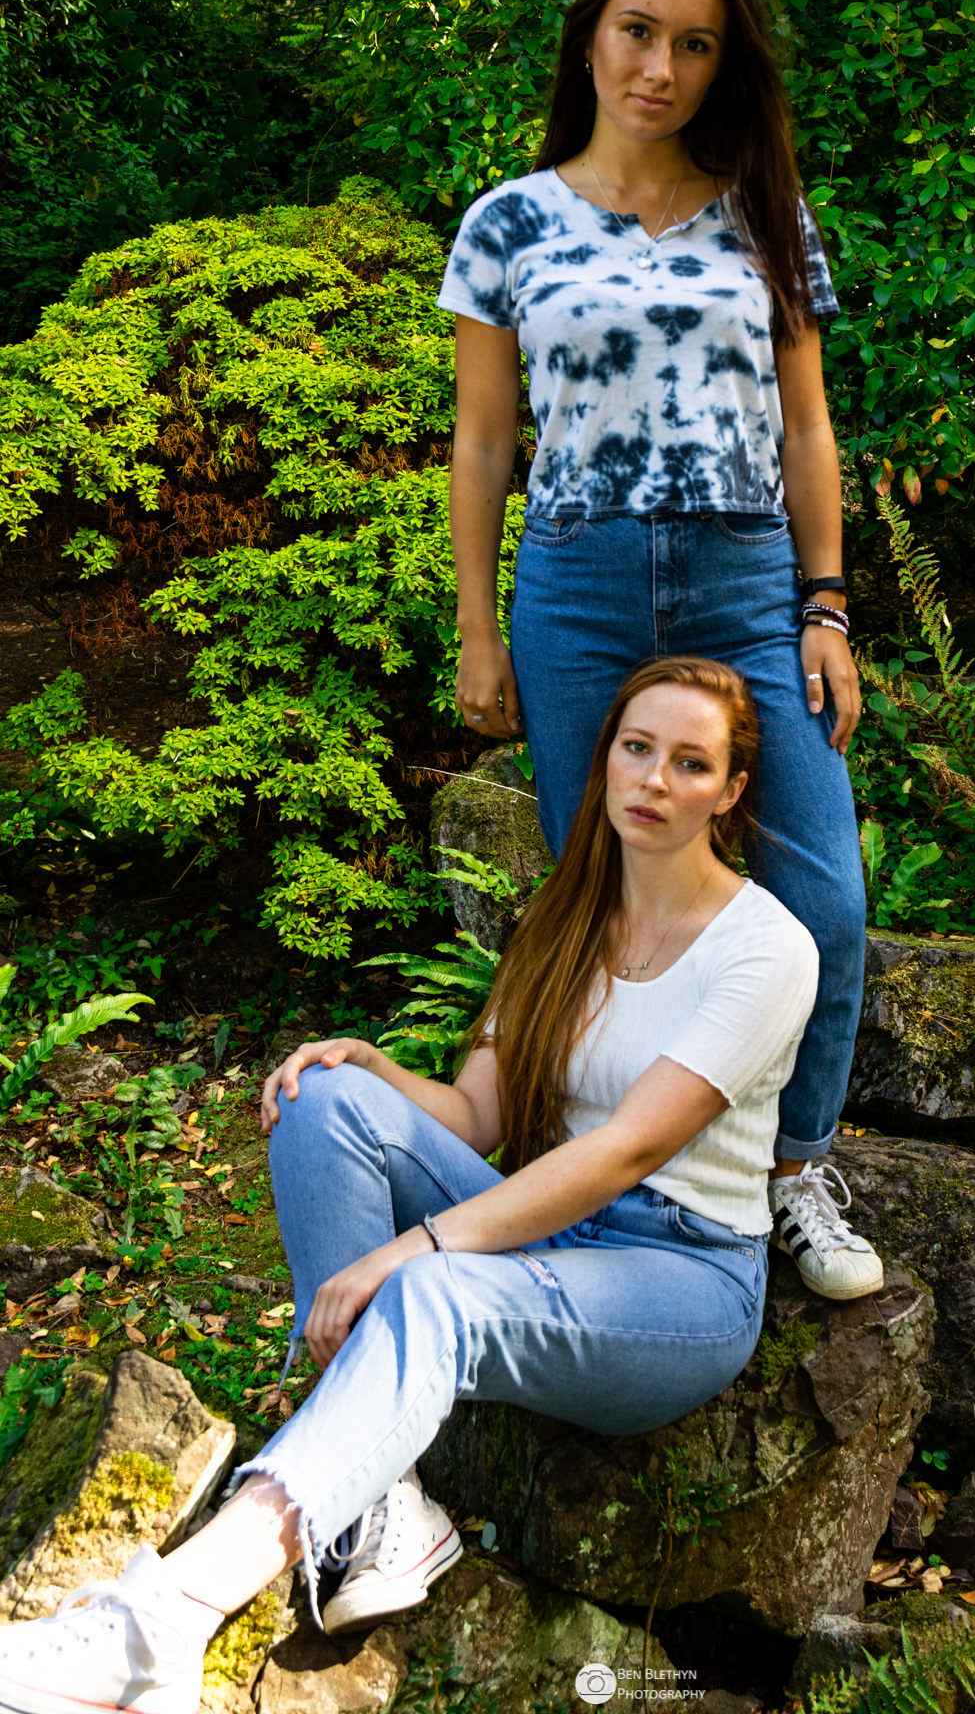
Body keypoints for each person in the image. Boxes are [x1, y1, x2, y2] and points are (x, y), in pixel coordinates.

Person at [0, 658, 831, 1714]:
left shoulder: (767, 947)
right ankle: (385, 1497)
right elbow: (477, 1117)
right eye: (637, 747)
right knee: (324, 1100)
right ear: (607, 757)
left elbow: (625, 1150)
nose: (655, 779)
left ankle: (161, 1623)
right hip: (552, 1238)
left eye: (690, 763)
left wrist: (417, 1247)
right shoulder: (564, 922)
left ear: (730, 790)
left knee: (434, 1291)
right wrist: (373, 1068)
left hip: (679, 1280)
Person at [443, 0, 880, 1299]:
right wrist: (477, 626)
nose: (660, 68)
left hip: (745, 579)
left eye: (694, 46)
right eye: (638, 32)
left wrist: (825, 607)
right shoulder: (508, 223)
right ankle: (588, 1167)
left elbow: (806, 428)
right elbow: (483, 443)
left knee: (824, 894)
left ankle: (794, 1169)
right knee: (599, 896)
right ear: (590, 36)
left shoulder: (764, 217)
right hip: (576, 582)